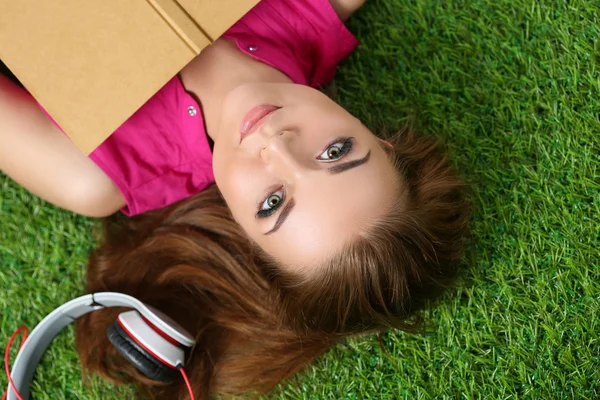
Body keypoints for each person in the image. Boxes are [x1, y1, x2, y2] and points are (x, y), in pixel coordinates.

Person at [1, 0, 470, 398]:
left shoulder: (93, 170)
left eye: (272, 203)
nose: (277, 143)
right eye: (334, 152)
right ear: (381, 141)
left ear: (246, 237)